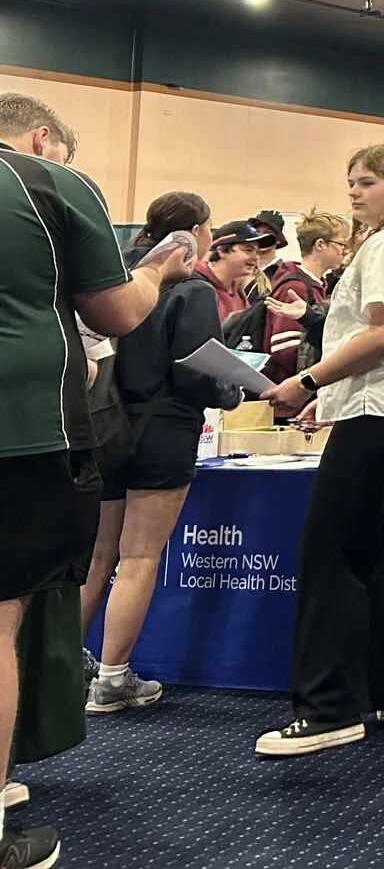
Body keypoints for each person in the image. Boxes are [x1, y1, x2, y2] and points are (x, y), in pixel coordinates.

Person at [2, 93, 185, 869]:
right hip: (19, 433)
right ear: (44, 138)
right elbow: (116, 313)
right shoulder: (46, 181)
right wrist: (154, 270)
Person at [251, 145, 384, 757]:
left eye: (367, 182)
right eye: (351, 182)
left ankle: (329, 710)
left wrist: (308, 380)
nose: (353, 191)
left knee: (332, 557)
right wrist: (332, 396)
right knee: (380, 554)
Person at [83, 193, 243, 716]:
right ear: (194, 232)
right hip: (164, 429)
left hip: (106, 424)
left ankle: (57, 670)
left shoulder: (116, 277)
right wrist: (233, 391)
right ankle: (112, 679)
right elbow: (199, 369)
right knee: (139, 557)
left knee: (97, 557)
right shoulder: (191, 289)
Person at [261, 210, 350, 383]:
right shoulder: (295, 287)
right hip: (292, 388)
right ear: (320, 244)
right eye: (342, 244)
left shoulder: (318, 285)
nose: (345, 251)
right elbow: (285, 350)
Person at [198, 221, 263, 327]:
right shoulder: (196, 287)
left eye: (257, 252)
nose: (256, 257)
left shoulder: (238, 292)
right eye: (249, 250)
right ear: (222, 251)